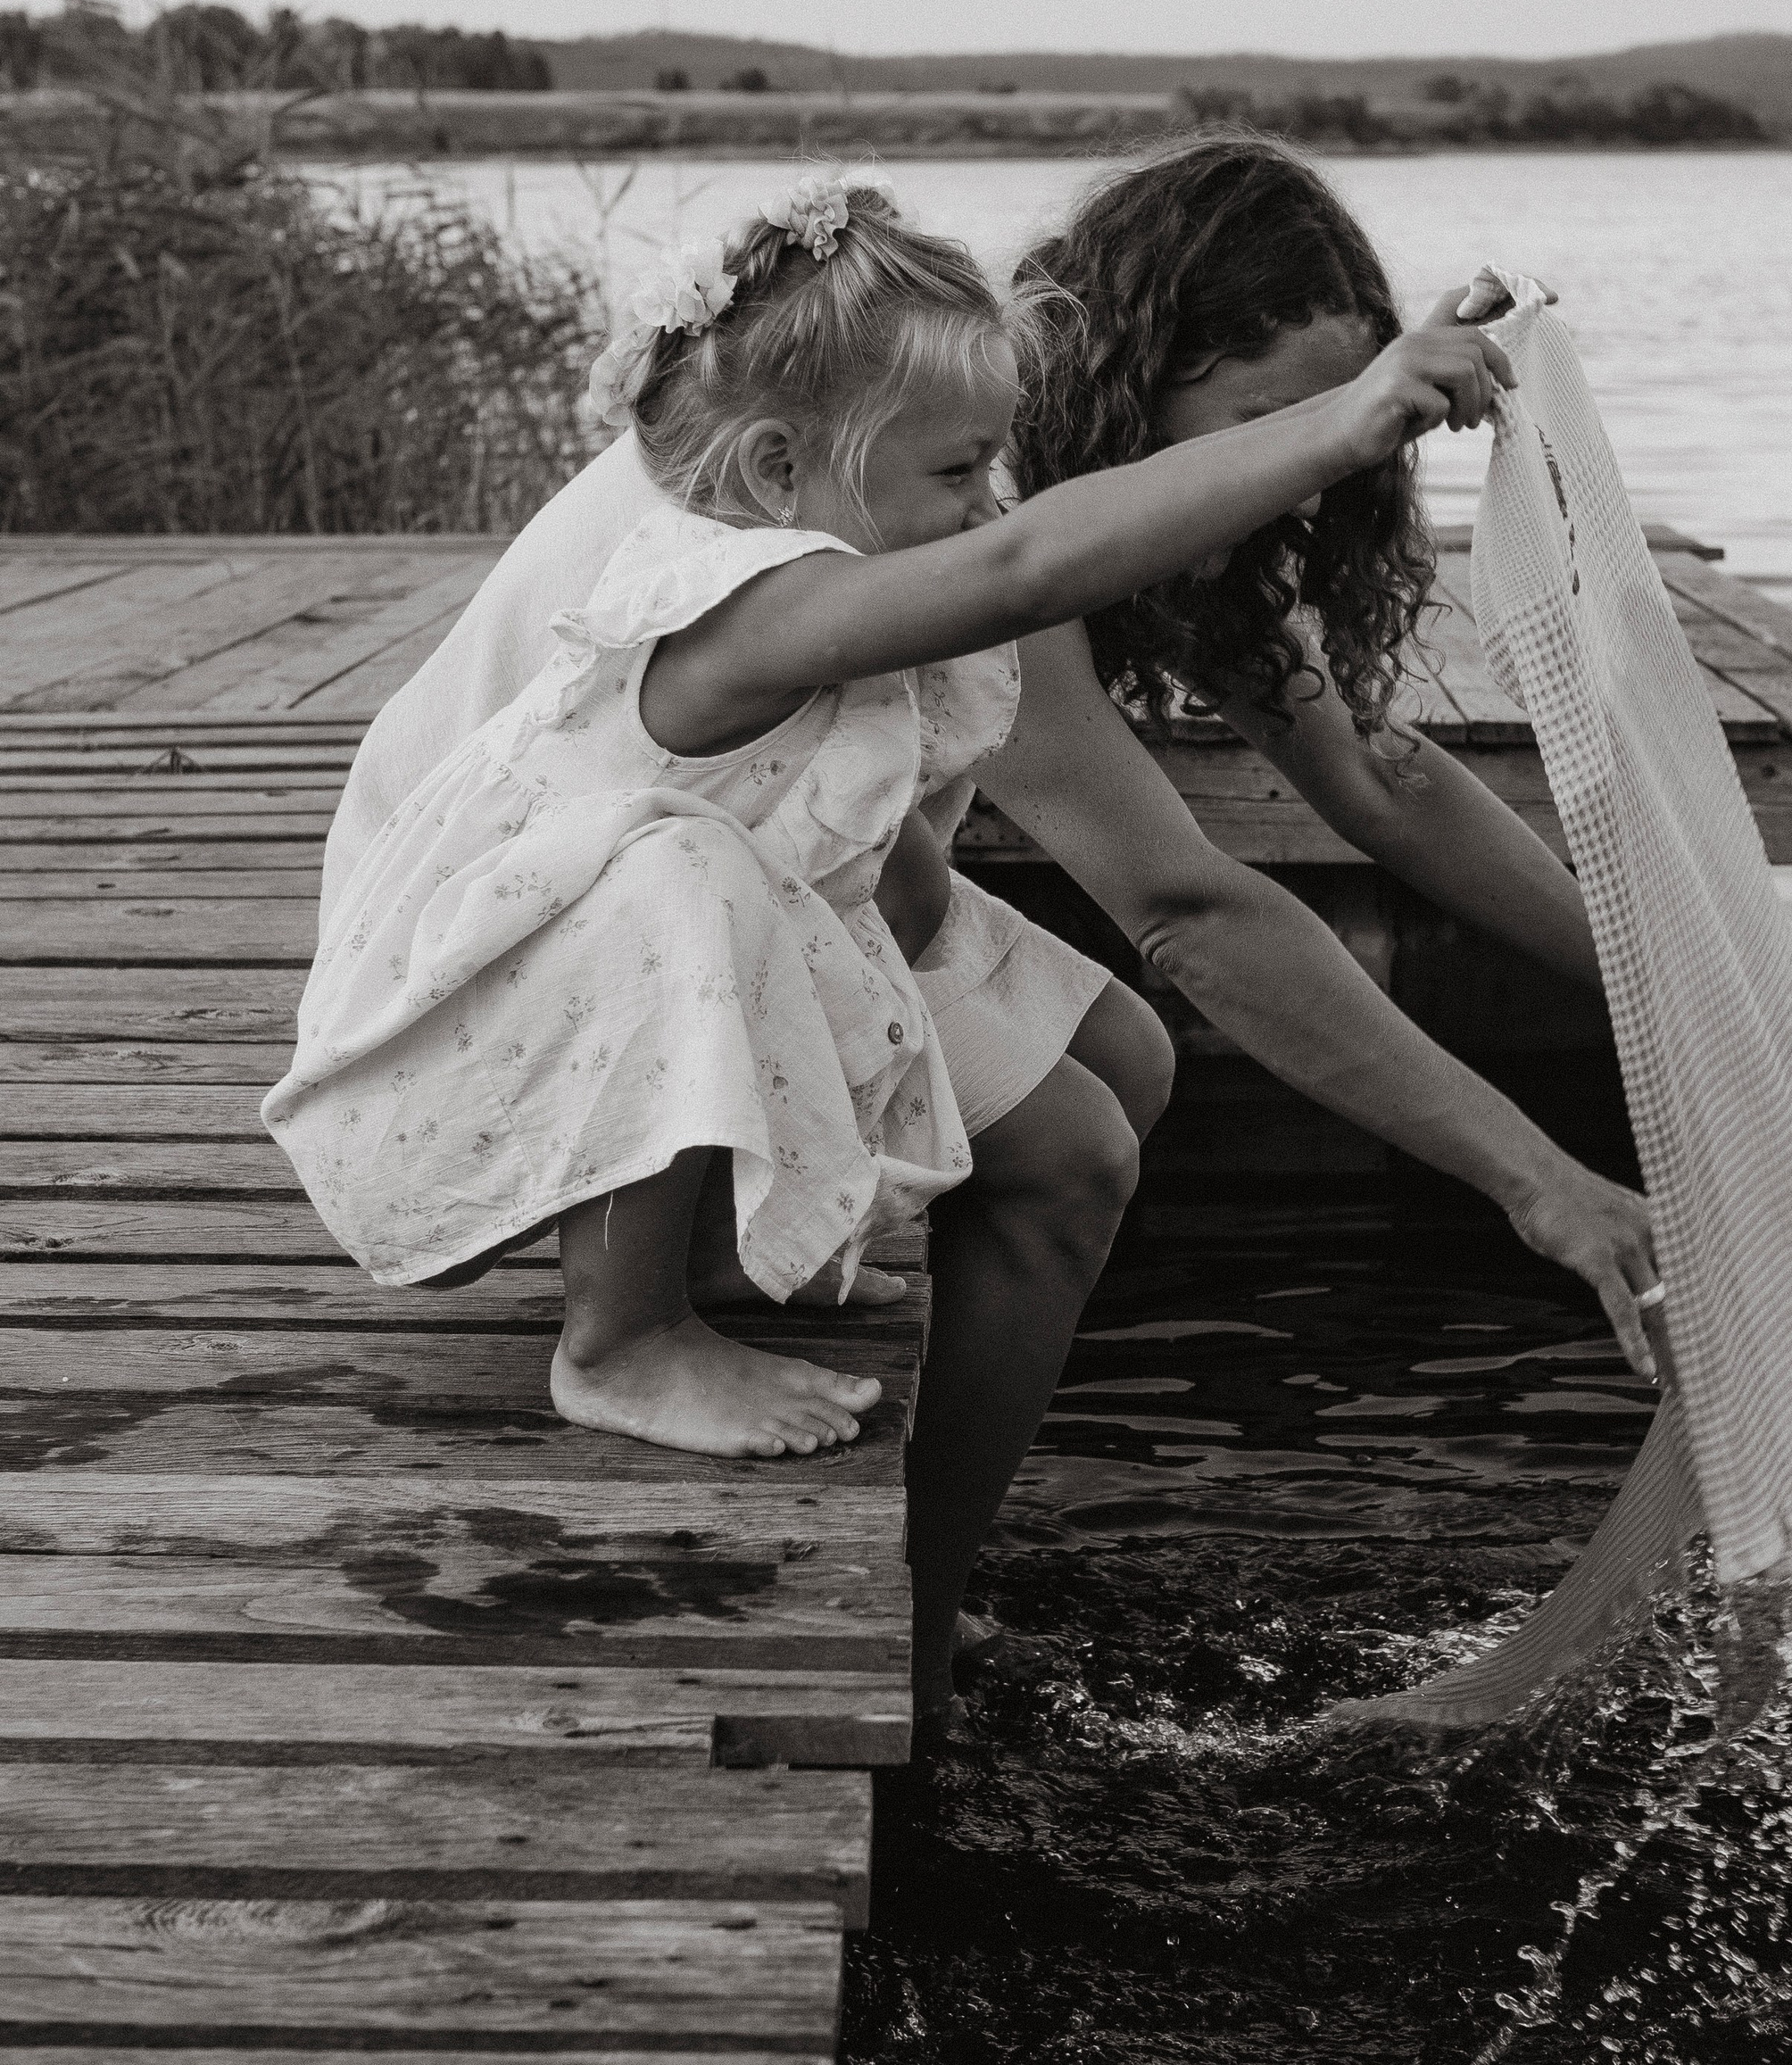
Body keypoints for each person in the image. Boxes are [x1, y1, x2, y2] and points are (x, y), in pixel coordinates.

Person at [316, 146, 1657, 1717]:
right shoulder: (879, 520)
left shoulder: (917, 445)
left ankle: (891, 1472)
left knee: (1123, 1063)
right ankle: (901, 1617)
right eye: (1266, 432)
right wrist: (1538, 1182)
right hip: (506, 947)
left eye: (1333, 422)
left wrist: (1662, 991)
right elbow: (1190, 904)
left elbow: (1378, 777)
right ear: (1139, 391)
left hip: (745, 881)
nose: (1312, 475)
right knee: (1071, 1152)